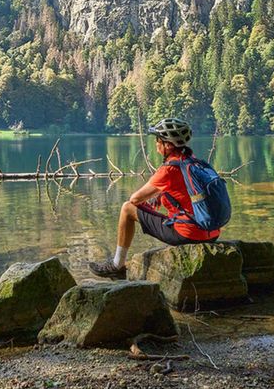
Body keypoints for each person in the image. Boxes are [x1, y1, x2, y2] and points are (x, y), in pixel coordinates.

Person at [88, 117, 221, 279]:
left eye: (158, 140)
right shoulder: (193, 162)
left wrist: (152, 196)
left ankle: (117, 265)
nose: (156, 144)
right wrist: (161, 194)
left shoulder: (169, 169)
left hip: (188, 234)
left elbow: (135, 199)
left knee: (126, 208)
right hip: (212, 232)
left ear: (168, 145)